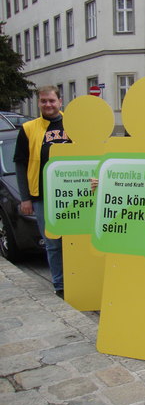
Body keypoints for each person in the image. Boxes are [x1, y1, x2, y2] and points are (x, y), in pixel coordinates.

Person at [14, 86, 69, 297]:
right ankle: (60, 285)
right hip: (42, 197)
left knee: (75, 241)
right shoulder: (28, 129)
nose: (48, 104)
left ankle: (80, 282)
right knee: (53, 243)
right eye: (44, 101)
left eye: (52, 100)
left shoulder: (72, 123)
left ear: (60, 101)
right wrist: (25, 198)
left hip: (73, 196)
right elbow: (20, 165)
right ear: (39, 103)